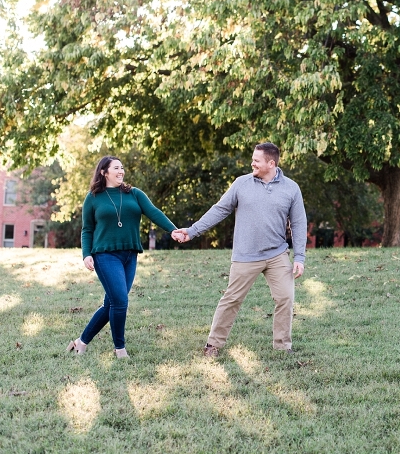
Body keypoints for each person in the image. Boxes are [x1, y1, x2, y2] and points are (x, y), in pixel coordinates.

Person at [172, 142, 307, 357]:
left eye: (257, 160)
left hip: (277, 254)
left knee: (286, 298)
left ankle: (282, 346)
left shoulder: (291, 188)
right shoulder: (241, 184)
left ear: (271, 163)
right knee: (231, 299)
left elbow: (299, 223)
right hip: (246, 255)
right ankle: (213, 345)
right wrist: (192, 230)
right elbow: (219, 210)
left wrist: (299, 256)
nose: (252, 163)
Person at [66, 156, 178, 359]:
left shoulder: (134, 194)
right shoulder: (93, 197)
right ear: (104, 172)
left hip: (129, 255)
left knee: (112, 304)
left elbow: (153, 212)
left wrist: (173, 230)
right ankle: (120, 349)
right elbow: (87, 229)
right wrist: (86, 254)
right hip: (105, 255)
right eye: (116, 168)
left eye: (122, 168)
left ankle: (80, 343)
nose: (121, 171)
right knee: (120, 301)